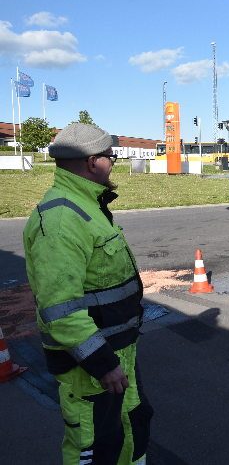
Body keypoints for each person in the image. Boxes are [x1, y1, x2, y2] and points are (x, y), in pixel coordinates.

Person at [23, 123, 152, 465]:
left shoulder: (87, 205)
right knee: (96, 448)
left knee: (132, 428)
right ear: (93, 161)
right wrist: (103, 364)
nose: (114, 163)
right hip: (92, 369)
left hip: (117, 356)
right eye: (111, 156)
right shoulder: (64, 218)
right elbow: (59, 309)